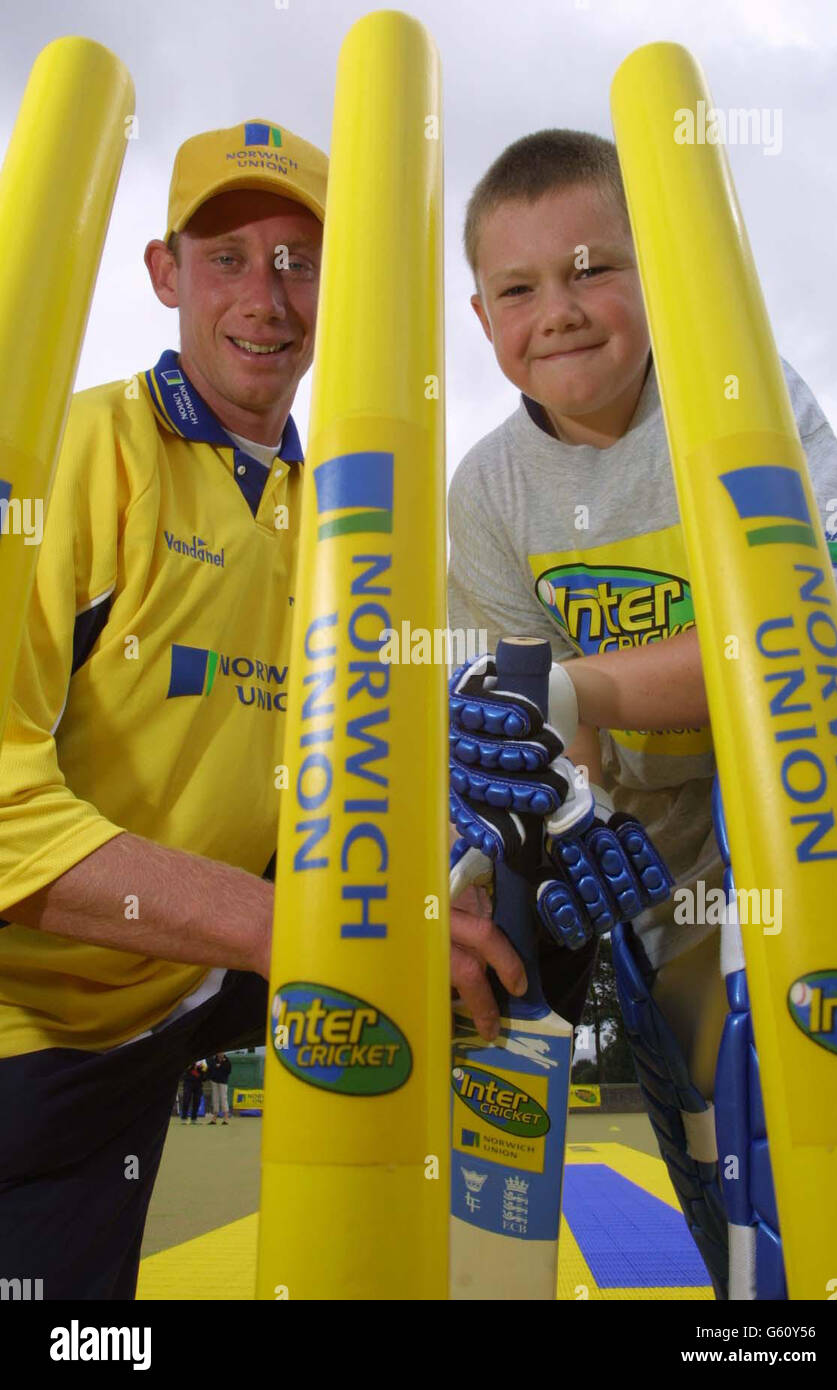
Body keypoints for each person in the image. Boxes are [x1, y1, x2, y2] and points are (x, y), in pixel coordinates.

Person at [446, 129, 837, 1297]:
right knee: (715, 1175)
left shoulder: (743, 399)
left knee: (815, 1176)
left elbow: (818, 627)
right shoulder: (485, 490)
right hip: (643, 869)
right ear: (479, 321)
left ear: (656, 273)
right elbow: (531, 724)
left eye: (592, 268)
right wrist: (556, 796)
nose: (561, 311)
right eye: (519, 288)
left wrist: (591, 682)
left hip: (799, 840)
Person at [0, 117, 328, 1300]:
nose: (267, 296)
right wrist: (282, 928)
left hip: (174, 995)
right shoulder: (72, 452)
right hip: (31, 1031)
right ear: (163, 273)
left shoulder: (335, 516)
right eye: (229, 257)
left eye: (297, 261)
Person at [206, 1052, 232, 1124]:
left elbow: (228, 1071)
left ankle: (226, 1118)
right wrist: (211, 1076)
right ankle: (214, 1118)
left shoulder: (227, 1061)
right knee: (215, 1099)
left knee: (223, 1098)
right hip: (214, 1081)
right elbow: (210, 1069)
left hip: (223, 1082)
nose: (220, 1054)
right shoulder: (213, 1060)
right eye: (219, 1052)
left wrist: (220, 1066)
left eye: (222, 1052)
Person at [180, 1060, 207, 1125]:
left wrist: (200, 1069)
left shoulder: (203, 1061)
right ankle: (184, 1118)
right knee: (186, 1100)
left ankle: (194, 1119)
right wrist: (192, 1066)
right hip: (188, 1083)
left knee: (197, 1101)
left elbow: (205, 1074)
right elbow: (185, 1070)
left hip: (198, 1084)